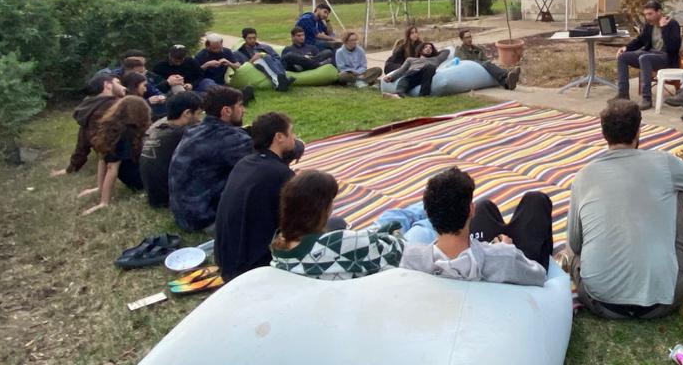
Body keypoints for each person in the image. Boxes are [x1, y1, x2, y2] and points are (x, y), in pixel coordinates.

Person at [565, 99, 683, 319]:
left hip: (600, 301)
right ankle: (673, 266)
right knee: (678, 191)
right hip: (663, 300)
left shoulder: (584, 175)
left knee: (572, 248)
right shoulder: (665, 163)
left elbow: (576, 243)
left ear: (604, 134)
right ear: (638, 132)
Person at [398, 167, 551, 285]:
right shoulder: (505, 258)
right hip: (507, 262)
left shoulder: (410, 258)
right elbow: (539, 275)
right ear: (471, 210)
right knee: (536, 201)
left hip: (481, 251)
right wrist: (507, 248)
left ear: (429, 215)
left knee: (485, 206)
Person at [214, 112, 309, 281]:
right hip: (252, 270)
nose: (294, 137)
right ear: (279, 137)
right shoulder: (280, 175)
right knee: (332, 225)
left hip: (225, 259)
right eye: (291, 132)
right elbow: (298, 226)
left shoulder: (244, 163)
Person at [270, 170, 402, 280]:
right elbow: (397, 251)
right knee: (402, 218)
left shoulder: (279, 246)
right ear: (322, 207)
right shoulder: (338, 243)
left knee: (338, 222)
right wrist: (394, 234)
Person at [167, 86, 252, 232]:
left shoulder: (194, 130)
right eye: (240, 105)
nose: (244, 110)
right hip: (206, 219)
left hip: (184, 214)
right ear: (226, 110)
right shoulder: (230, 138)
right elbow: (266, 163)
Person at [81, 94, 151, 215]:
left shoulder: (110, 128)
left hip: (130, 176)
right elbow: (112, 168)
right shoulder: (126, 133)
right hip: (138, 179)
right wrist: (104, 202)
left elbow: (102, 159)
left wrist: (100, 187)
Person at [140, 89, 203, 209]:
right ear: (187, 113)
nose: (200, 119)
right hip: (170, 198)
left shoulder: (158, 128)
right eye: (199, 113)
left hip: (154, 196)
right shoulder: (182, 133)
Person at [615, 0, 681, 108]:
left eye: (650, 14)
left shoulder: (672, 24)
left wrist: (663, 28)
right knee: (623, 57)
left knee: (644, 58)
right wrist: (626, 47)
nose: (647, 17)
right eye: (645, 14)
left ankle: (647, 99)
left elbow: (673, 47)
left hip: (667, 58)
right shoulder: (649, 25)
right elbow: (640, 40)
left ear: (659, 12)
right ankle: (623, 94)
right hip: (651, 54)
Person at [57, 72, 124, 177]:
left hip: (111, 161)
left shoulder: (89, 109)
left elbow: (82, 143)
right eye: (118, 83)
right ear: (108, 85)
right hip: (125, 161)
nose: (123, 87)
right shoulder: (114, 106)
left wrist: (71, 167)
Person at [453, 29, 520, 90]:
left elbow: (485, 59)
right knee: (487, 64)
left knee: (491, 68)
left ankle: (507, 84)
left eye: (470, 36)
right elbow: (465, 62)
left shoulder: (477, 49)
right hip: (470, 70)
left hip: (481, 68)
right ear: (462, 39)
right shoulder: (459, 50)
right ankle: (507, 73)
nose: (469, 39)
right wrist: (480, 62)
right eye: (467, 37)